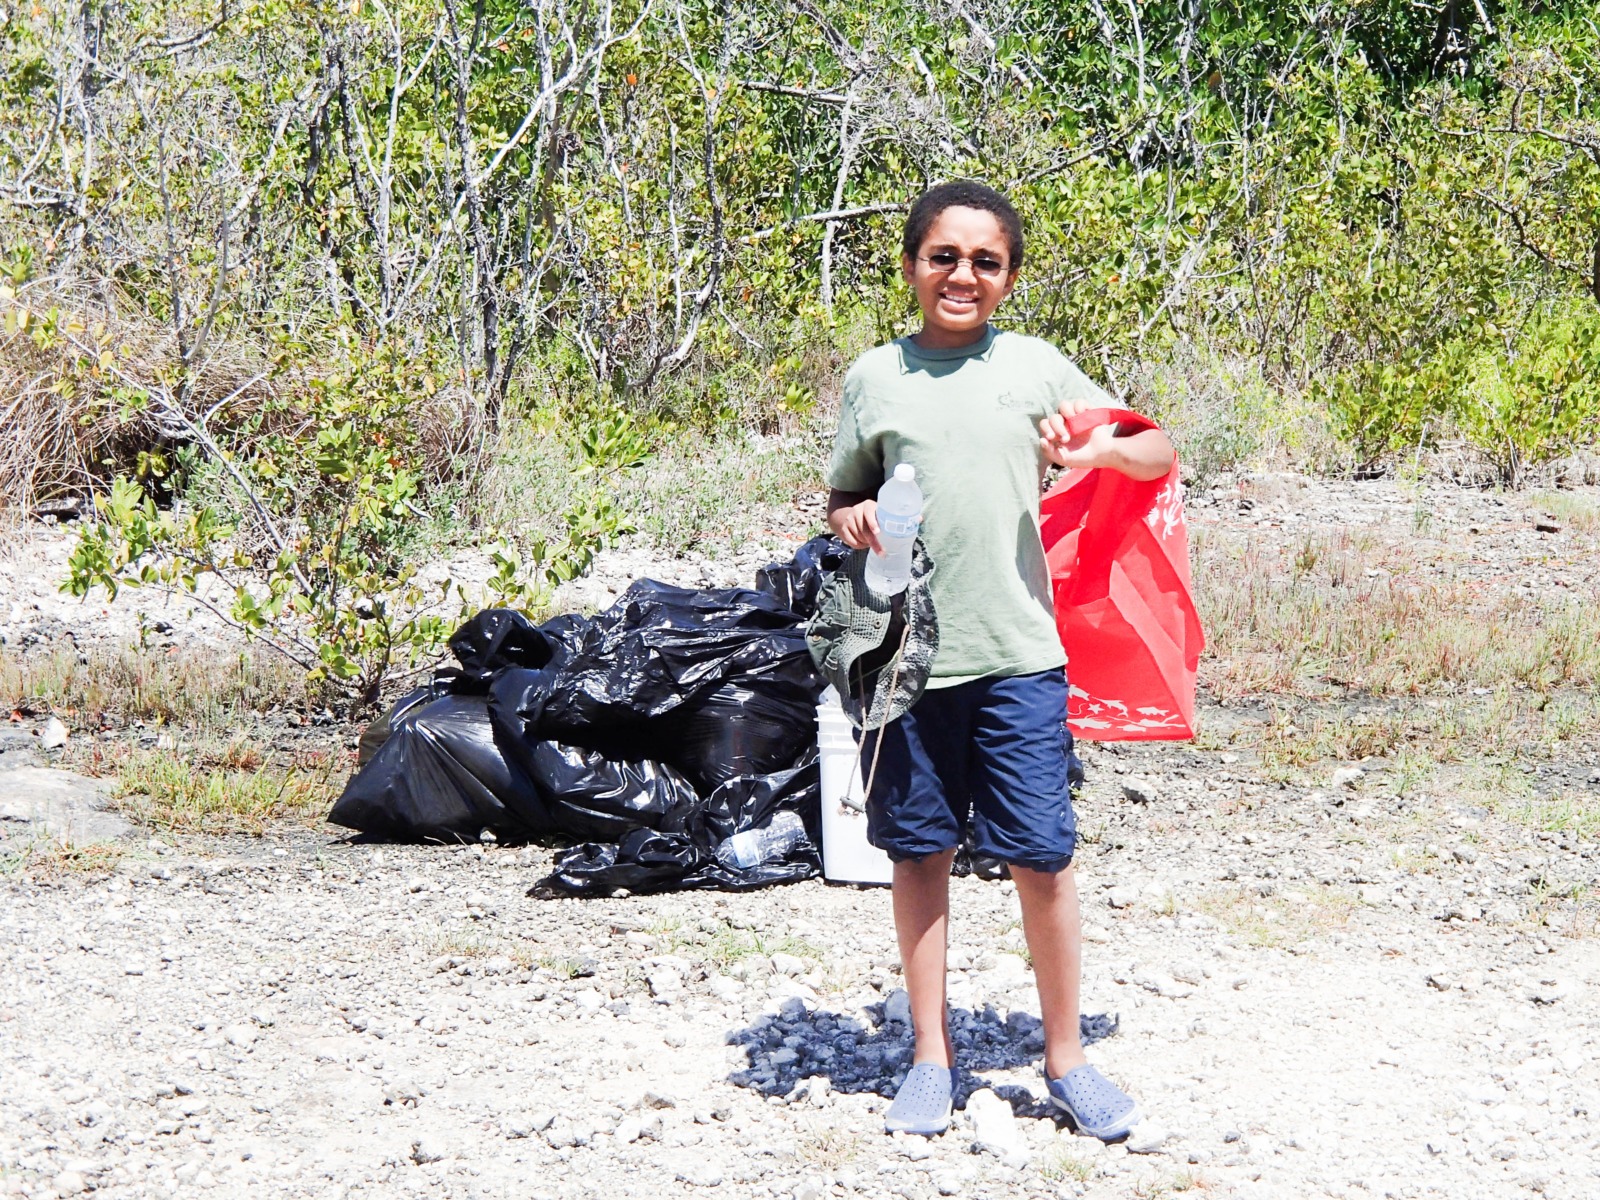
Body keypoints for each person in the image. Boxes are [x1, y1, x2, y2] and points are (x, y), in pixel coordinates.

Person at [824, 180, 1175, 1139]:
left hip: (1019, 656)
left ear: (1009, 278)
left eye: (986, 261)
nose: (962, 275)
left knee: (1043, 859)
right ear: (911, 265)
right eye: (943, 256)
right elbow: (844, 498)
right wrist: (855, 519)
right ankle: (930, 1060)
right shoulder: (874, 378)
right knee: (918, 854)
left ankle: (1066, 1060)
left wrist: (1096, 456)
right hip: (906, 660)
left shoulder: (1034, 368)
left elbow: (1156, 453)